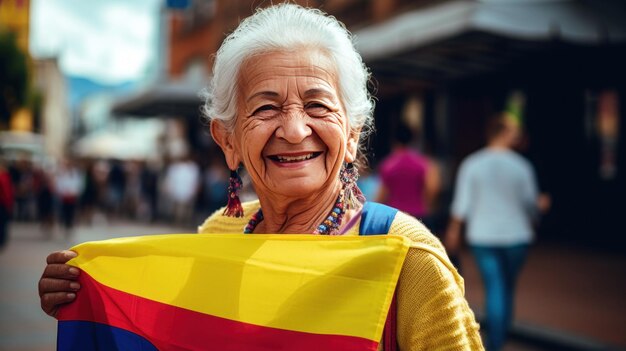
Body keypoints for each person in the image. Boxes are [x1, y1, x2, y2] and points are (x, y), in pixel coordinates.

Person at [38, 4, 483, 350]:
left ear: (351, 134)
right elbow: (178, 337)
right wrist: (86, 295)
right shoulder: (221, 231)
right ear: (228, 139)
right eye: (266, 107)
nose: (293, 130)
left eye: (317, 105)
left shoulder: (408, 260)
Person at [444, 114, 545, 351]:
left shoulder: (472, 164)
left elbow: (461, 203)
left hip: (483, 236)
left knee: (494, 287)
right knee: (507, 287)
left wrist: (454, 231)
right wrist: (542, 206)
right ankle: (500, 335)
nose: (518, 138)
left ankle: (496, 342)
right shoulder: (522, 166)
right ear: (504, 133)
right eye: (515, 133)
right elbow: (531, 204)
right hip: (517, 237)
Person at [376, 125, 441, 226]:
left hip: (395, 217)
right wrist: (426, 205)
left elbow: (382, 194)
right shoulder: (423, 163)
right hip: (419, 216)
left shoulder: (388, 164)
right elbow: (433, 188)